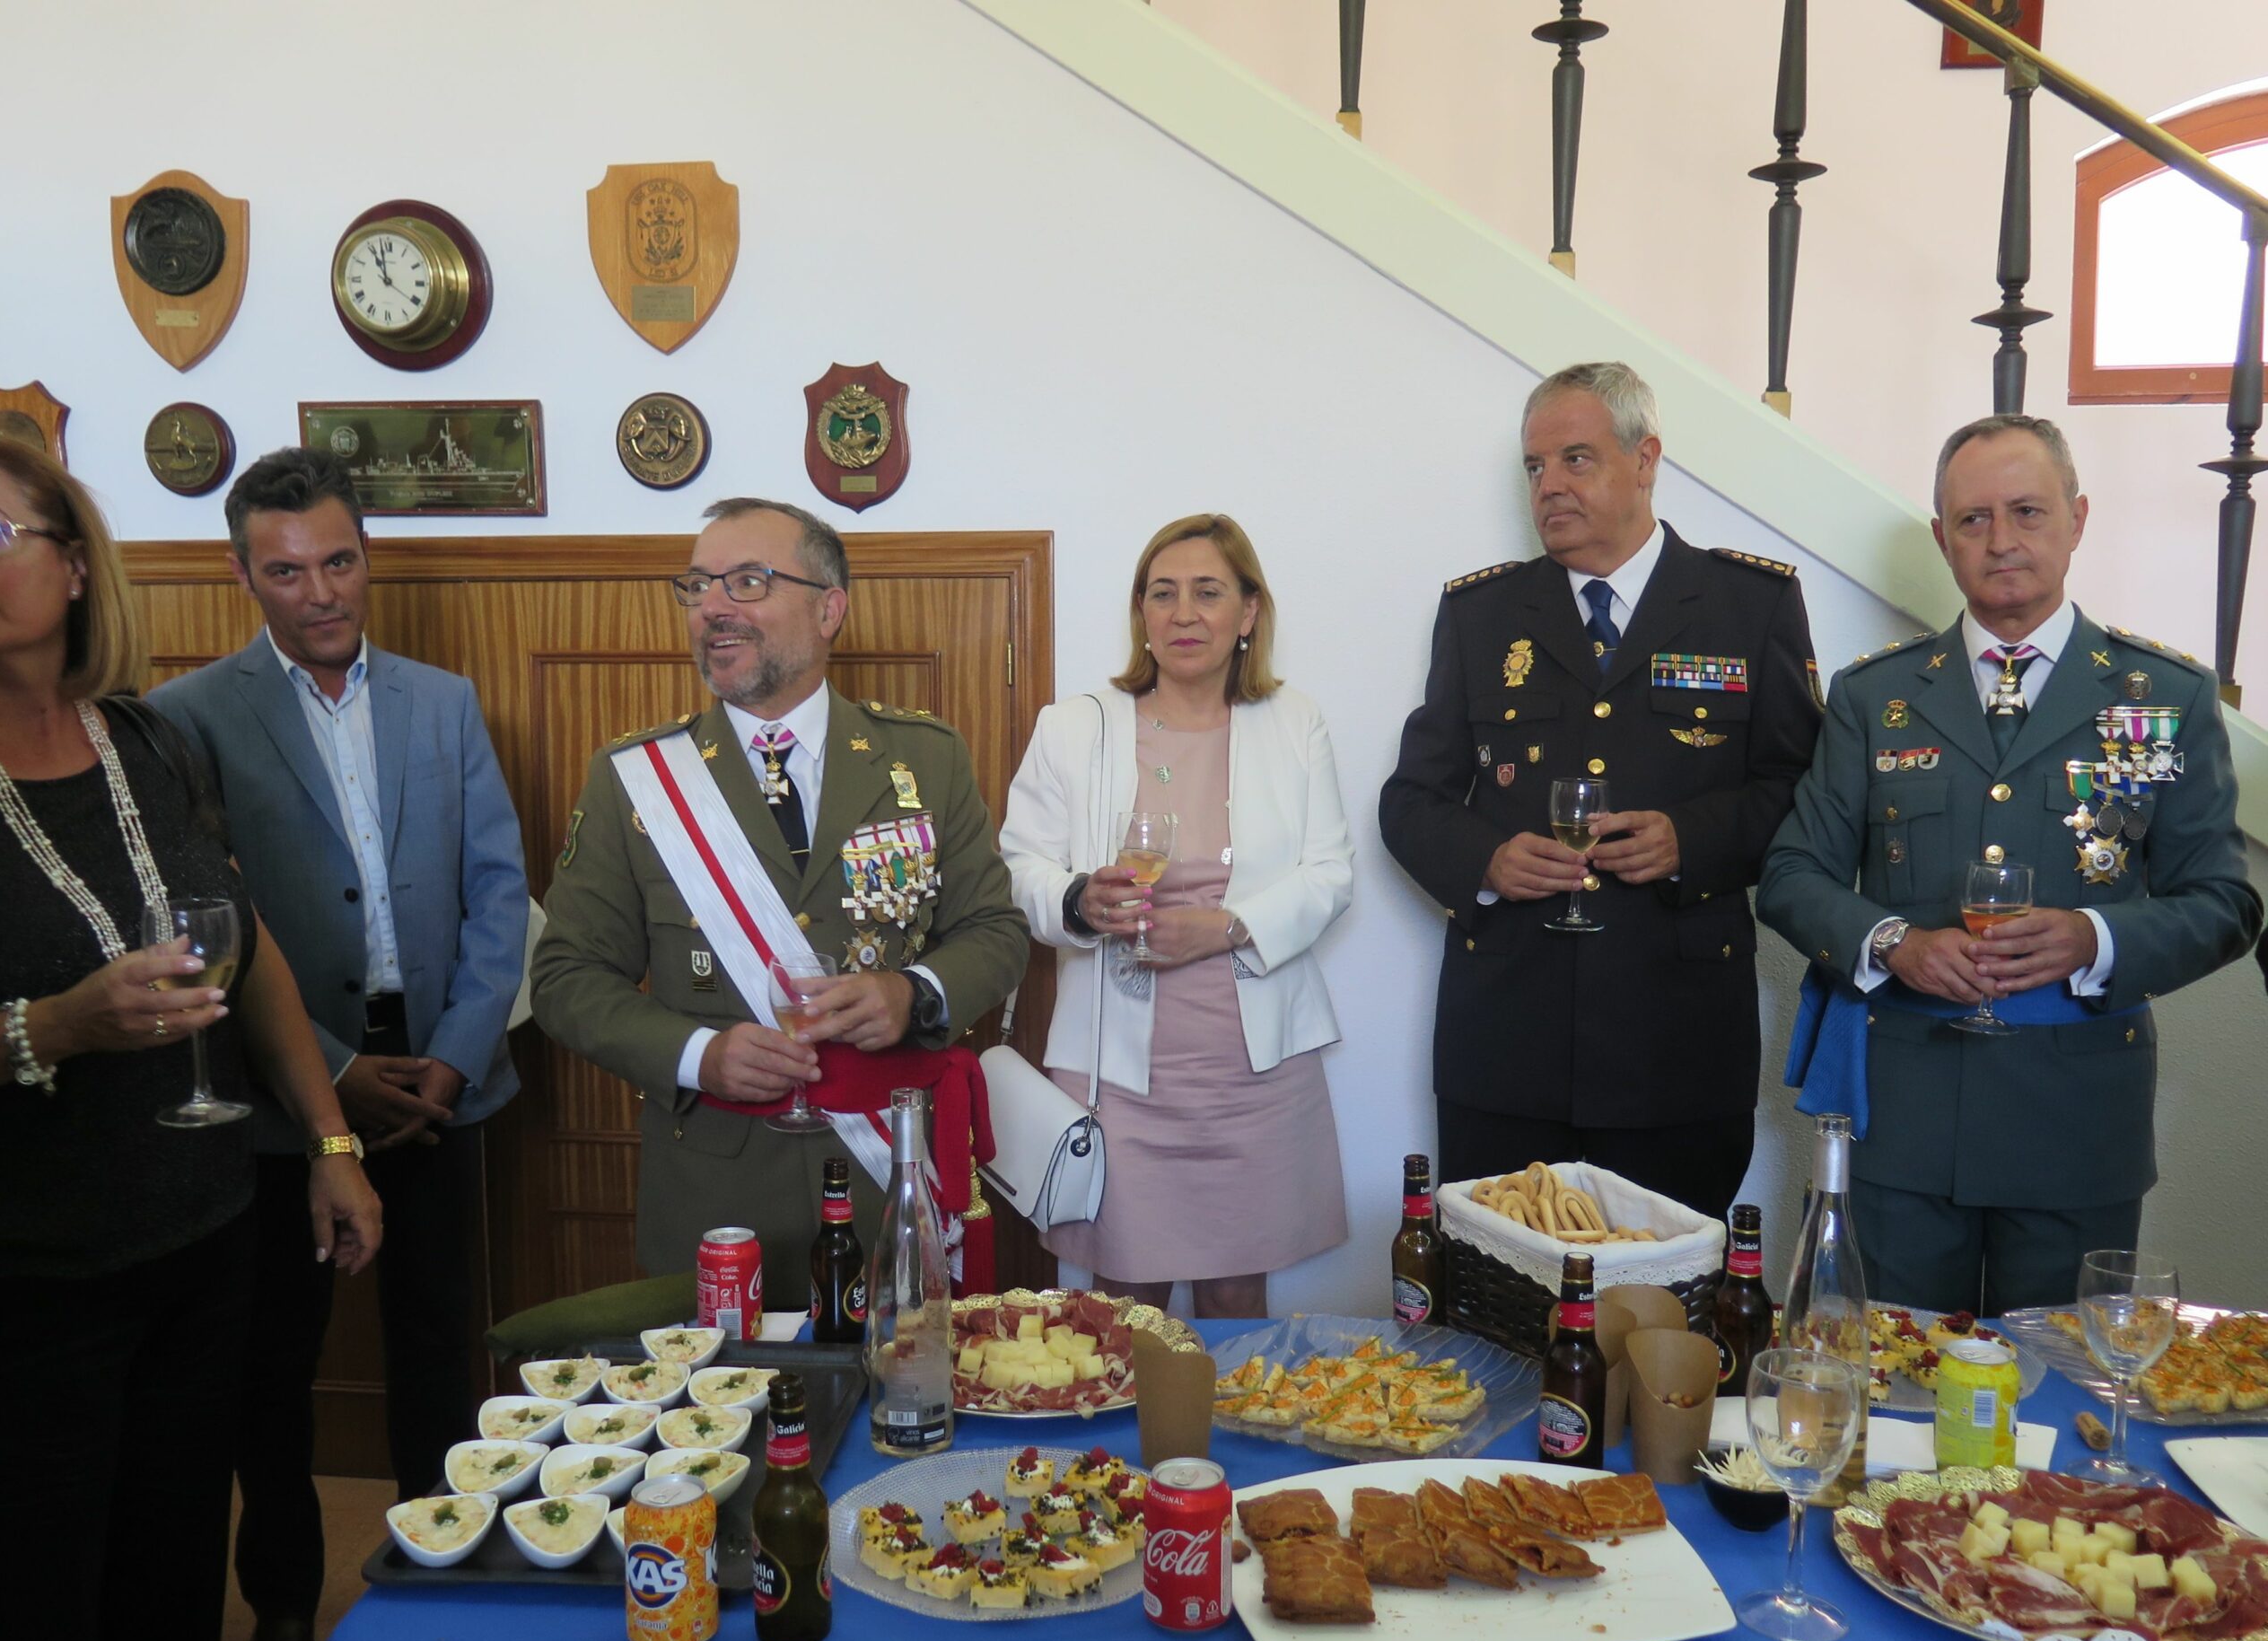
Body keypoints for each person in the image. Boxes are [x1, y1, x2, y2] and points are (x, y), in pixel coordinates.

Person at [0, 429, 381, 1641]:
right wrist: (58, 1029)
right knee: (35, 1618)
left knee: (167, 1588)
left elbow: (243, 949)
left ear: (77, 564)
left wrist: (326, 1140)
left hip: (201, 1244)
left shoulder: (144, 742)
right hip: (26, 1284)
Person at [144, 447, 527, 1641]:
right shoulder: (189, 718)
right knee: (273, 1385)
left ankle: (441, 1588)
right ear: (243, 572)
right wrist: (338, 1077)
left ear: (369, 554)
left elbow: (497, 903)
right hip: (280, 1108)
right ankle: (291, 1620)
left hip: (442, 1085)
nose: (321, 592)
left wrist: (455, 1059)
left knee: (438, 1358)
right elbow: (212, 930)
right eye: (288, 570)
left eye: (341, 561)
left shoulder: (445, 701)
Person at [1759, 413, 2261, 1313]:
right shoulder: (1875, 697)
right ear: (1941, 539)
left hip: (2075, 1125)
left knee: (2062, 1400)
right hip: (1903, 1119)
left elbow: (2225, 902)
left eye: (2026, 512)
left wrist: (2091, 937)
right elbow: (1794, 874)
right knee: (1891, 1388)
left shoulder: (2166, 697)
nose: (2001, 542)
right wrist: (1891, 941)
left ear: (2075, 518)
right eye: (1972, 520)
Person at [530, 497, 1029, 1303]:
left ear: (829, 608)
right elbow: (563, 978)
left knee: (902, 1409)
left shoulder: (924, 759)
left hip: (888, 1177)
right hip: (718, 1197)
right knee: (732, 1425)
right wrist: (701, 1054)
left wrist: (913, 993)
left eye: (748, 581)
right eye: (697, 586)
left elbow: (995, 931)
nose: (712, 607)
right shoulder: (637, 780)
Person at [1379, 361, 1822, 1219]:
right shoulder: (1481, 614)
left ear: (1645, 457)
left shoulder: (1748, 603)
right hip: (1508, 1043)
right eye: (1535, 467)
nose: (1549, 486)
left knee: (1667, 1324)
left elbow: (1802, 792)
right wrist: (1488, 859)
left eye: (1575, 460)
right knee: (1499, 1309)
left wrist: (1690, 840)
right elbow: (1411, 801)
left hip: (1676, 1046)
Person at [1001, 513, 1353, 1318]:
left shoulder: (1294, 722)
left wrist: (1226, 926)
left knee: (1238, 1302)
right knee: (1125, 1306)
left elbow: (1331, 873)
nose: (1184, 613)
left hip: (1256, 1072)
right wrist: (1080, 900)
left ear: (1248, 613)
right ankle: (1122, 1451)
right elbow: (1018, 869)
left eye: (1208, 592)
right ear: (1142, 615)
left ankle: (1229, 1445)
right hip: (1115, 1075)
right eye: (1163, 594)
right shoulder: (1076, 726)